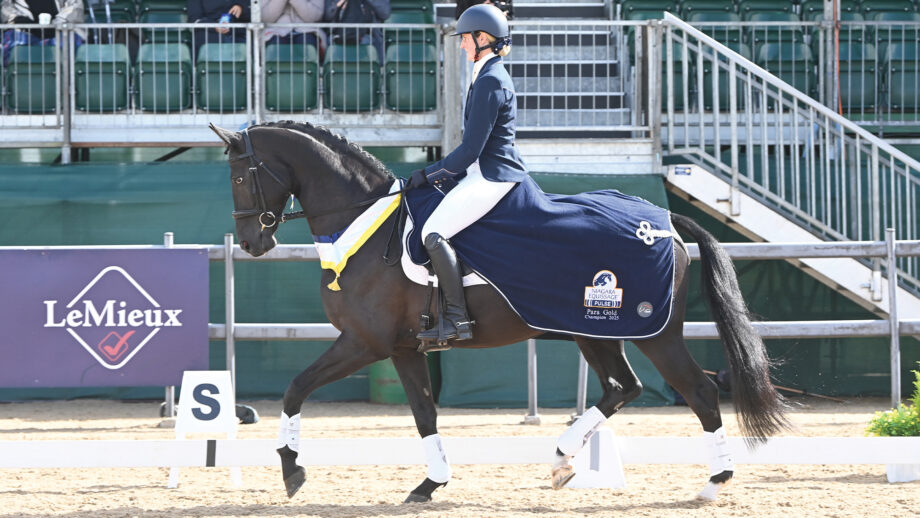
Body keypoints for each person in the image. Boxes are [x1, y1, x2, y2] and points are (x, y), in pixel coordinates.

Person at [406, 4, 524, 351]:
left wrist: (430, 174)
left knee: (432, 231)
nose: (461, 46)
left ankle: (457, 318)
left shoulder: (490, 80)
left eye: (465, 40)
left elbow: (471, 150)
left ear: (482, 39)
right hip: (482, 171)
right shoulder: (485, 74)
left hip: (492, 175)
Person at [1, 0, 85, 66]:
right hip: (25, 32)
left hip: (59, 31)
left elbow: (74, 8)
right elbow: (7, 9)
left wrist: (55, 26)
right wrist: (21, 21)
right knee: (13, 41)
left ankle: (64, 83)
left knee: (67, 41)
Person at [323, 0, 389, 64]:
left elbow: (385, 13)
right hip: (338, 36)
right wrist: (340, 3)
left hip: (368, 36)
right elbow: (327, 15)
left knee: (367, 42)